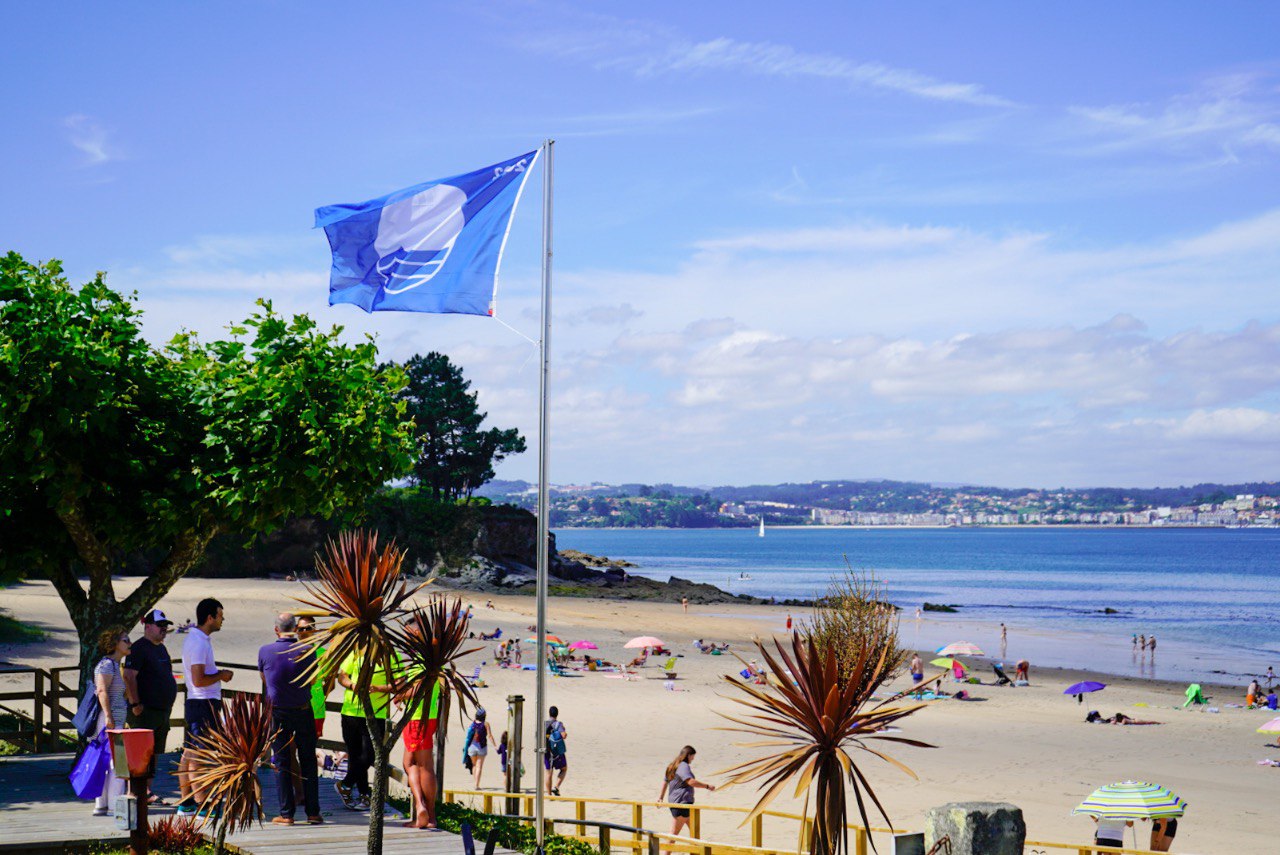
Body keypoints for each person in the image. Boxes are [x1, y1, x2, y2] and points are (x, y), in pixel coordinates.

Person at [258, 613, 322, 826]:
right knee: (308, 760)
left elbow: (264, 679)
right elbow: (312, 679)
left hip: (278, 712)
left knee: (282, 761)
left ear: (276, 630)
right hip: (303, 709)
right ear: (295, 629)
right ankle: (313, 812)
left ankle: (287, 814)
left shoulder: (265, 650)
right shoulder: (307, 650)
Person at [177, 598, 232, 816]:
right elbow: (199, 679)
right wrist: (222, 675)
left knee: (189, 753)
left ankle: (187, 802)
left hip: (197, 702)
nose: (222, 619)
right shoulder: (198, 642)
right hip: (202, 702)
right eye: (220, 615)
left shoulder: (197, 639)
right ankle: (202, 805)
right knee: (199, 755)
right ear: (209, 617)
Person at [123, 609, 177, 804]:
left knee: (154, 754)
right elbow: (129, 675)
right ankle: (134, 792)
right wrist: (135, 703)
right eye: (160, 625)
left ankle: (147, 791)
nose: (164, 629)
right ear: (147, 627)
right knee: (140, 753)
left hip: (162, 711)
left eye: (166, 626)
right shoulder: (139, 648)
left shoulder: (161, 648)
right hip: (144, 711)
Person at [335, 649, 395, 810]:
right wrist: (353, 685)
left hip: (376, 713)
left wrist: (378, 688)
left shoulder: (390, 656)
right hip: (351, 712)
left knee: (370, 755)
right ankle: (364, 795)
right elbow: (342, 676)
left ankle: (345, 784)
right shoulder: (355, 653)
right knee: (355, 756)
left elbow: (398, 683)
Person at [91, 627, 131, 817]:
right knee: (118, 762)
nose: (129, 643)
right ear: (115, 643)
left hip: (115, 720)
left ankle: (105, 804)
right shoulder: (106, 665)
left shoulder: (115, 665)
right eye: (125, 640)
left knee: (111, 762)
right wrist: (108, 716)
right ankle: (114, 805)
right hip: (109, 721)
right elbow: (102, 690)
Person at [399, 665, 441, 829]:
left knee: (422, 766)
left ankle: (425, 810)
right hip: (429, 715)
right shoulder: (436, 659)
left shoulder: (422, 663)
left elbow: (418, 690)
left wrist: (399, 694)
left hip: (417, 718)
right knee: (411, 763)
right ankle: (425, 812)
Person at [657, 745, 715, 854]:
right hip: (682, 803)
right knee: (673, 834)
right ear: (688, 755)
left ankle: (696, 852)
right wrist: (707, 786)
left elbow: (665, 781)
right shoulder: (684, 766)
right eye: (693, 756)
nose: (693, 759)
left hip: (676, 802)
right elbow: (690, 781)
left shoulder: (673, 765)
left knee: (694, 831)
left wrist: (660, 797)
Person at [464, 707, 496, 790]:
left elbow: (468, 736)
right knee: (479, 766)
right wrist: (495, 745)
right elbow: (489, 735)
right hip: (481, 747)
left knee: (474, 765)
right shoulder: (486, 724)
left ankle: (476, 783)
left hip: (471, 747)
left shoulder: (472, 724)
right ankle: (477, 785)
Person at [544, 705, 567, 796]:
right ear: (557, 714)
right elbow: (564, 735)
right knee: (564, 769)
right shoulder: (558, 724)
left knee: (548, 773)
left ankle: (549, 795)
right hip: (557, 752)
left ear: (549, 713)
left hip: (546, 751)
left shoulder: (544, 724)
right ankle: (556, 787)